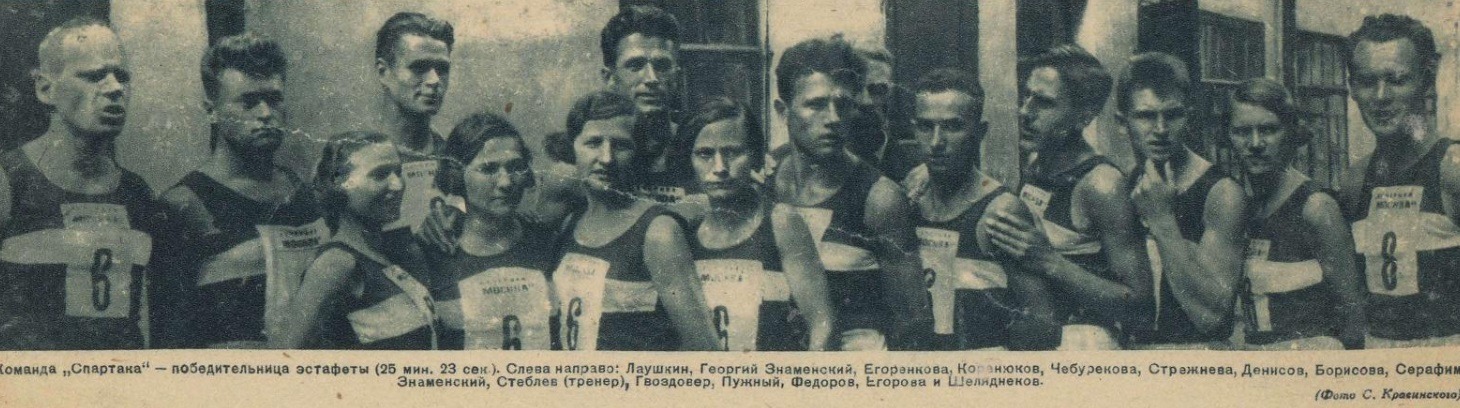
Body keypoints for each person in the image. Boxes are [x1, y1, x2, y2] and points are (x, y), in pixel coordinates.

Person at [155, 32, 325, 349]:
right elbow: (171, 338)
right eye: (248, 102)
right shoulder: (183, 205)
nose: (265, 114)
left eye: (274, 99)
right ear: (211, 111)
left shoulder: (302, 192)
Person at [0, 18, 162, 350]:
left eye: (122, 77)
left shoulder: (137, 193)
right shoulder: (9, 180)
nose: (114, 88)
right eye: (93, 76)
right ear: (46, 89)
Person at [984, 44, 1150, 350]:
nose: (1025, 112)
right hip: (1039, 340)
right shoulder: (1037, 163)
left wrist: (1050, 261)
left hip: (1085, 350)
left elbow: (1140, 307)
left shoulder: (1102, 185)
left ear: (1083, 116)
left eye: (1044, 103)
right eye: (1026, 96)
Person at [769, 36, 928, 350]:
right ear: (783, 111)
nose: (833, 118)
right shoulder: (764, 180)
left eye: (842, 105)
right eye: (816, 105)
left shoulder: (879, 198)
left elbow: (912, 317)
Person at [901, 68, 1060, 351]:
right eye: (926, 127)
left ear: (980, 132)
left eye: (952, 127)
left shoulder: (1000, 211)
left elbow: (1043, 324)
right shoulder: (912, 190)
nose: (936, 142)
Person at [547, 91, 717, 351]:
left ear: (638, 153)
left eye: (621, 145)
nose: (606, 158)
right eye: (593, 143)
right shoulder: (571, 222)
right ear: (573, 147)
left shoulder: (658, 231)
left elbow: (704, 346)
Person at [1338, 14, 1460, 348]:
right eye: (1367, 82)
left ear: (1426, 81)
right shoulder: (1354, 180)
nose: (1381, 96)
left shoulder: (1451, 168)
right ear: (1352, 88)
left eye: (1396, 80)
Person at [1114, 53, 1246, 349]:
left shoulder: (1221, 193)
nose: (1160, 129)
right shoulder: (1125, 184)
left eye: (1172, 115)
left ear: (1189, 116)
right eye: (1146, 116)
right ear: (1122, 123)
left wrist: (1162, 219)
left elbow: (1212, 318)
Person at [684, 97, 834, 351]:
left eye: (732, 153)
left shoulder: (780, 222)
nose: (719, 167)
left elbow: (823, 326)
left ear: (755, 156)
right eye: (705, 154)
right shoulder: (685, 227)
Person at [1227, 78, 1365, 350]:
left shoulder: (1315, 207)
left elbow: (1352, 311)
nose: (1255, 143)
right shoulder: (1247, 206)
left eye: (1268, 130)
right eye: (1242, 131)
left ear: (1291, 132)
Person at [272, 132, 440, 350]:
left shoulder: (387, 253)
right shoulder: (337, 262)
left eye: (398, 172)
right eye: (380, 175)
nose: (398, 185)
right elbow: (284, 355)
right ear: (338, 183)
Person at [428, 113, 558, 350]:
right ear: (457, 175)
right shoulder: (435, 253)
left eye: (516, 167)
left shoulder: (548, 241)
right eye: (488, 169)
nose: (506, 182)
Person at [373, 12, 455, 233]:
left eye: (442, 69)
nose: (434, 80)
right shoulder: (351, 161)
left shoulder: (456, 159)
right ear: (383, 72)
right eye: (419, 67)